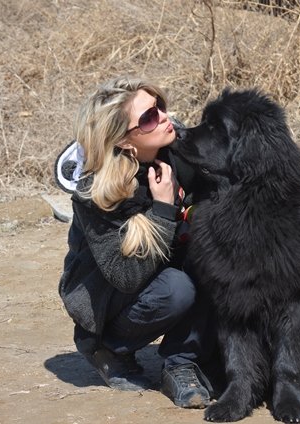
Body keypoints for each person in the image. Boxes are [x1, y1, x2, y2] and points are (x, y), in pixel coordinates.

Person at [55, 76, 217, 409]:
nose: (163, 117)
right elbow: (124, 275)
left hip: (161, 268)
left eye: (159, 106)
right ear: (125, 142)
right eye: (148, 118)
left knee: (213, 263)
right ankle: (106, 345)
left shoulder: (175, 145)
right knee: (176, 288)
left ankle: (180, 363)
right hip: (106, 293)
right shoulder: (96, 191)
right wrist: (162, 208)